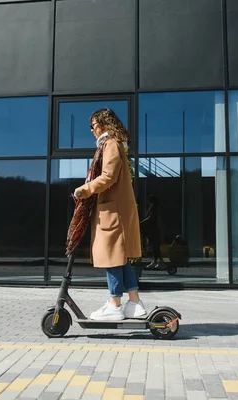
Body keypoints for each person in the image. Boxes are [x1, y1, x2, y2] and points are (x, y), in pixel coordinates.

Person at [73, 108, 147, 321]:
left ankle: (115, 304)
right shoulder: (113, 145)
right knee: (120, 257)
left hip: (113, 212)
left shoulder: (111, 144)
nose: (92, 130)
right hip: (114, 210)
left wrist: (84, 190)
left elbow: (108, 177)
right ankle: (134, 302)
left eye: (94, 125)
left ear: (104, 125)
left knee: (112, 257)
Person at [140, 194, 164, 269]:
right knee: (155, 247)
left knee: (155, 247)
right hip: (153, 230)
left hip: (154, 230)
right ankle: (156, 261)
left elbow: (151, 218)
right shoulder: (155, 207)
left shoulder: (154, 208)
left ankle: (159, 262)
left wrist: (142, 222)